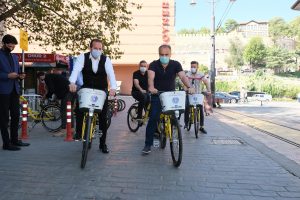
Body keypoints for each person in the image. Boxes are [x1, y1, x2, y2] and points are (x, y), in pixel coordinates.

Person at [142, 44, 194, 154]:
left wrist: (189, 86)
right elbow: (150, 78)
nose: (164, 56)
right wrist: (151, 87)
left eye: (166, 54)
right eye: (162, 54)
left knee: (178, 112)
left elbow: (183, 77)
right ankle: (147, 144)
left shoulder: (175, 64)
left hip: (171, 95)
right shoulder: (153, 65)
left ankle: (174, 125)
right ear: (159, 54)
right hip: (158, 95)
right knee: (153, 118)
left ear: (170, 54)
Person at [69, 38, 117, 154]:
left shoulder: (106, 60)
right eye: (95, 48)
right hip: (87, 88)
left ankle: (102, 143)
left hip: (101, 90)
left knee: (103, 117)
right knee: (79, 109)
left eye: (100, 49)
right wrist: (72, 82)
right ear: (90, 48)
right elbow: (75, 70)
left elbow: (111, 73)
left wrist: (113, 88)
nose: (98, 50)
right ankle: (79, 132)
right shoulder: (83, 57)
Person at [0, 34, 30, 151]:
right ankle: (6, 144)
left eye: (13, 45)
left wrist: (20, 76)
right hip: (2, 91)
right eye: (10, 44)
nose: (12, 46)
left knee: (16, 115)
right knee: (4, 118)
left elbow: (17, 72)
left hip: (14, 90)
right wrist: (7, 75)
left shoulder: (15, 57)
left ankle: (15, 140)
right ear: (4, 43)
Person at [37, 72, 74, 136]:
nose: (42, 81)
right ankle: (72, 129)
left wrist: (47, 96)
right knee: (69, 111)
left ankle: (64, 129)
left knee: (63, 111)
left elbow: (51, 89)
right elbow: (56, 87)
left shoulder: (48, 78)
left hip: (67, 93)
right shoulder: (51, 76)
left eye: (41, 79)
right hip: (71, 91)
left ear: (41, 76)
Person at [184, 61, 211, 134]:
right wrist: (185, 89)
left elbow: (206, 82)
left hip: (198, 94)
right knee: (187, 107)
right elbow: (184, 82)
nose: (193, 68)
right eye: (191, 67)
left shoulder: (201, 74)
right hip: (189, 94)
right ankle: (186, 123)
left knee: (200, 109)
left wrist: (208, 90)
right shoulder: (187, 74)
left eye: (194, 67)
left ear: (197, 67)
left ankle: (201, 126)